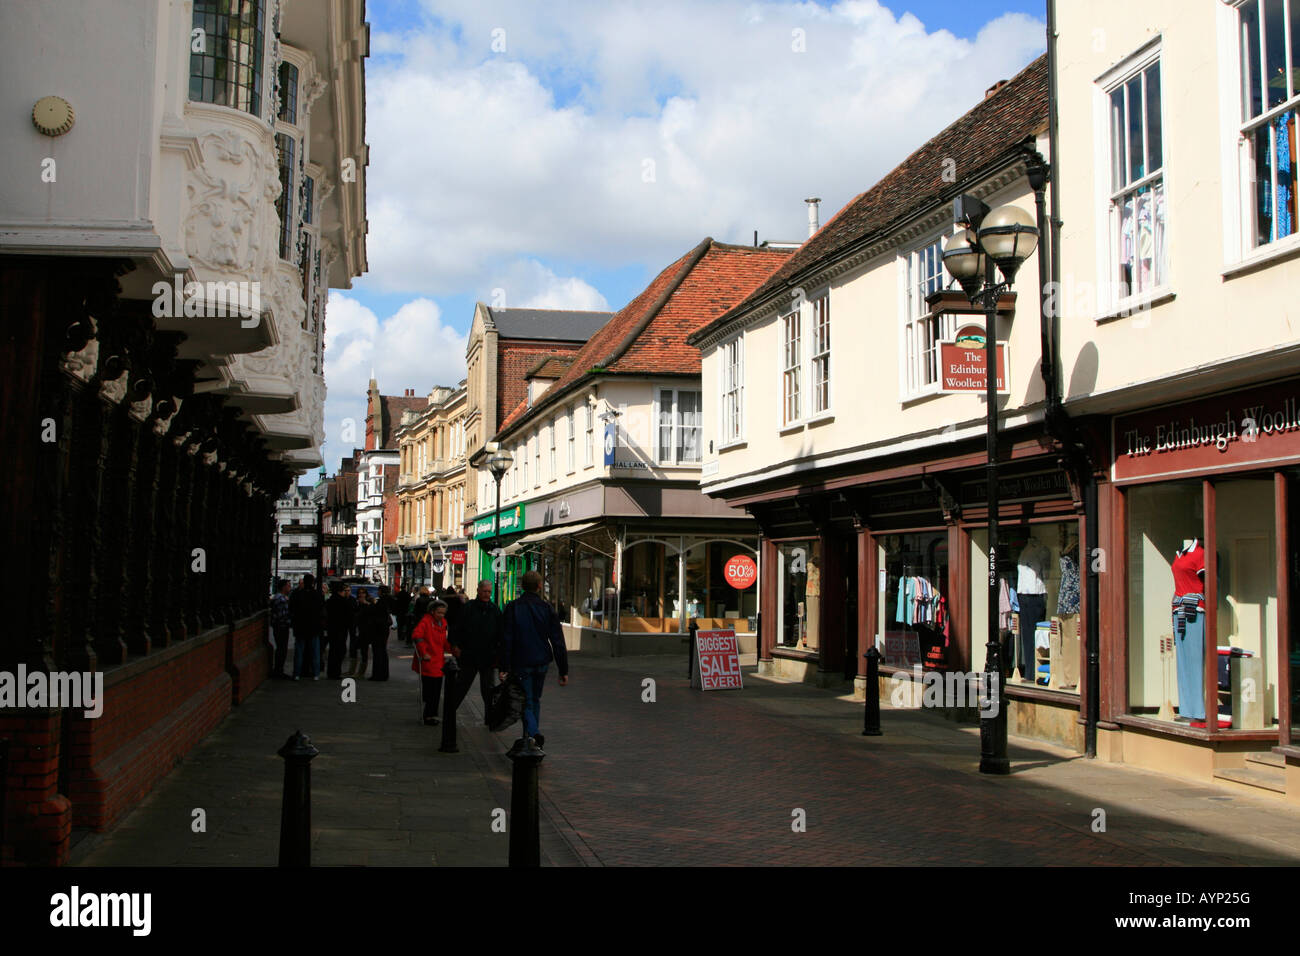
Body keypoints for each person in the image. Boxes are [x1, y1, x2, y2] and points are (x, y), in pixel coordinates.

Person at [500, 570, 569, 751]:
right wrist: (563, 670)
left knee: (527, 701)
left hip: (521, 660)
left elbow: (506, 638)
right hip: (541, 661)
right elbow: (558, 641)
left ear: (522, 586)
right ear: (539, 586)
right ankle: (532, 737)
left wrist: (504, 666)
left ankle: (532, 734)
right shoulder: (546, 608)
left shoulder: (513, 607)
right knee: (535, 700)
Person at [448, 580, 504, 723]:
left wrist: (499, 654)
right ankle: (449, 713)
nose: (487, 594)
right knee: (461, 686)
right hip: (469, 655)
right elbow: (456, 628)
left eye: (489, 592)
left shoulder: (494, 609)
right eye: (485, 591)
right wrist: (455, 645)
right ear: (478, 590)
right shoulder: (468, 608)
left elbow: (500, 633)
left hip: (487, 656)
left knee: (488, 689)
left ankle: (489, 717)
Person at [411, 597, 450, 724]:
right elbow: (417, 635)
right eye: (439, 612)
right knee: (430, 691)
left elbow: (444, 641)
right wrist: (424, 653)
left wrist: (453, 649)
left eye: (443, 613)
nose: (441, 615)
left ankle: (432, 714)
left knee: (436, 690)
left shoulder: (443, 623)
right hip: (428, 661)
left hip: (438, 660)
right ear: (432, 611)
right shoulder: (426, 621)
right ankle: (428, 715)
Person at [289, 574, 325, 680]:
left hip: (300, 626)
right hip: (314, 626)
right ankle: (316, 673)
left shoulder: (297, 594)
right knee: (315, 651)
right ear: (313, 582)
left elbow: (292, 609)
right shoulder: (317, 595)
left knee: (299, 651)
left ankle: (297, 673)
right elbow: (321, 610)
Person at [325, 581, 355, 679]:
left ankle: (331, 672)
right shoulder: (344, 602)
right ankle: (336, 672)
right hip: (341, 629)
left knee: (333, 650)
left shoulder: (330, 601)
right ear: (340, 591)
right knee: (339, 651)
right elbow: (350, 616)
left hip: (332, 628)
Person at [270, 579, 292, 679]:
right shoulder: (281, 599)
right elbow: (282, 615)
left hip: (279, 626)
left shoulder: (279, 597)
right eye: (288, 586)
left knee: (281, 649)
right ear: (283, 587)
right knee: (282, 649)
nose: (289, 588)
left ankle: (279, 670)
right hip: (281, 627)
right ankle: (278, 671)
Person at [350, 589, 375, 677]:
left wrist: (366, 603)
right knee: (355, 648)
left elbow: (372, 612)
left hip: (366, 630)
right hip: (359, 629)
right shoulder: (358, 603)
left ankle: (361, 671)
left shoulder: (368, 603)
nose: (361, 595)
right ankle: (353, 669)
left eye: (363, 593)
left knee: (363, 650)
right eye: (359, 593)